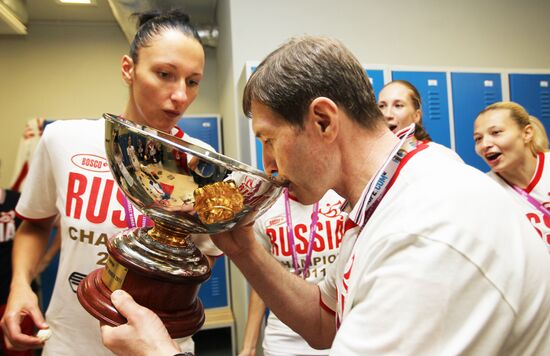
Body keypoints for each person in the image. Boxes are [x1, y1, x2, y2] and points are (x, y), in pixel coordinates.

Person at [100, 36, 550, 355]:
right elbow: (324, 322)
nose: (268, 164)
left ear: (322, 121)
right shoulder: (387, 198)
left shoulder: (427, 232)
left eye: (269, 139)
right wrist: (242, 249)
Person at [0, 9, 222, 356]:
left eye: (192, 81)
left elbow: (207, 255)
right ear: (128, 69)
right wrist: (19, 285)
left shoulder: (202, 162)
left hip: (160, 345)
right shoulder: (63, 140)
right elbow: (34, 225)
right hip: (70, 343)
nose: (180, 95)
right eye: (165, 74)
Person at [240, 189, 350, 356]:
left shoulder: (341, 200)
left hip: (338, 332)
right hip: (284, 337)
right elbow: (262, 283)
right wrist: (249, 346)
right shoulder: (266, 208)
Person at [474, 101, 550, 252]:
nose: (485, 144)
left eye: (496, 132)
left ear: (526, 133)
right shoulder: (484, 189)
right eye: (478, 138)